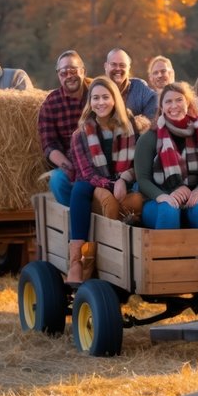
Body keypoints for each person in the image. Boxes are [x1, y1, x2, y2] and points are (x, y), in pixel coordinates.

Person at [66, 76, 145, 284]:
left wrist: (124, 179)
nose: (100, 102)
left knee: (143, 192)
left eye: (105, 97)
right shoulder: (81, 133)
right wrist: (113, 184)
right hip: (94, 183)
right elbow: (88, 173)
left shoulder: (130, 127)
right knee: (80, 189)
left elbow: (138, 163)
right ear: (89, 102)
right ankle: (77, 260)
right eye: (95, 98)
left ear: (115, 99)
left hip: (125, 180)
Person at [134, 81, 198, 230]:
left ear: (188, 103)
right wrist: (166, 195)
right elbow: (142, 179)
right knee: (169, 211)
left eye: (179, 100)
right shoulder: (149, 138)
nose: (174, 106)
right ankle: (165, 253)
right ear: (162, 107)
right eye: (168, 101)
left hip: (195, 196)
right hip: (159, 199)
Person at [37, 49, 89, 205]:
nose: (69, 76)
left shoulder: (97, 93)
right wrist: (69, 168)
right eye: (63, 73)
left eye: (73, 71)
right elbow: (49, 145)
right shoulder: (51, 103)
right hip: (70, 162)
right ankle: (73, 216)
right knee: (57, 181)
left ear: (83, 71)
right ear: (58, 75)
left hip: (100, 160)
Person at [104, 47, 157, 126]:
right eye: (113, 64)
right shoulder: (98, 89)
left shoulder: (139, 88)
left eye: (122, 65)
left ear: (128, 68)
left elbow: (154, 101)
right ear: (106, 66)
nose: (118, 68)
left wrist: (141, 124)